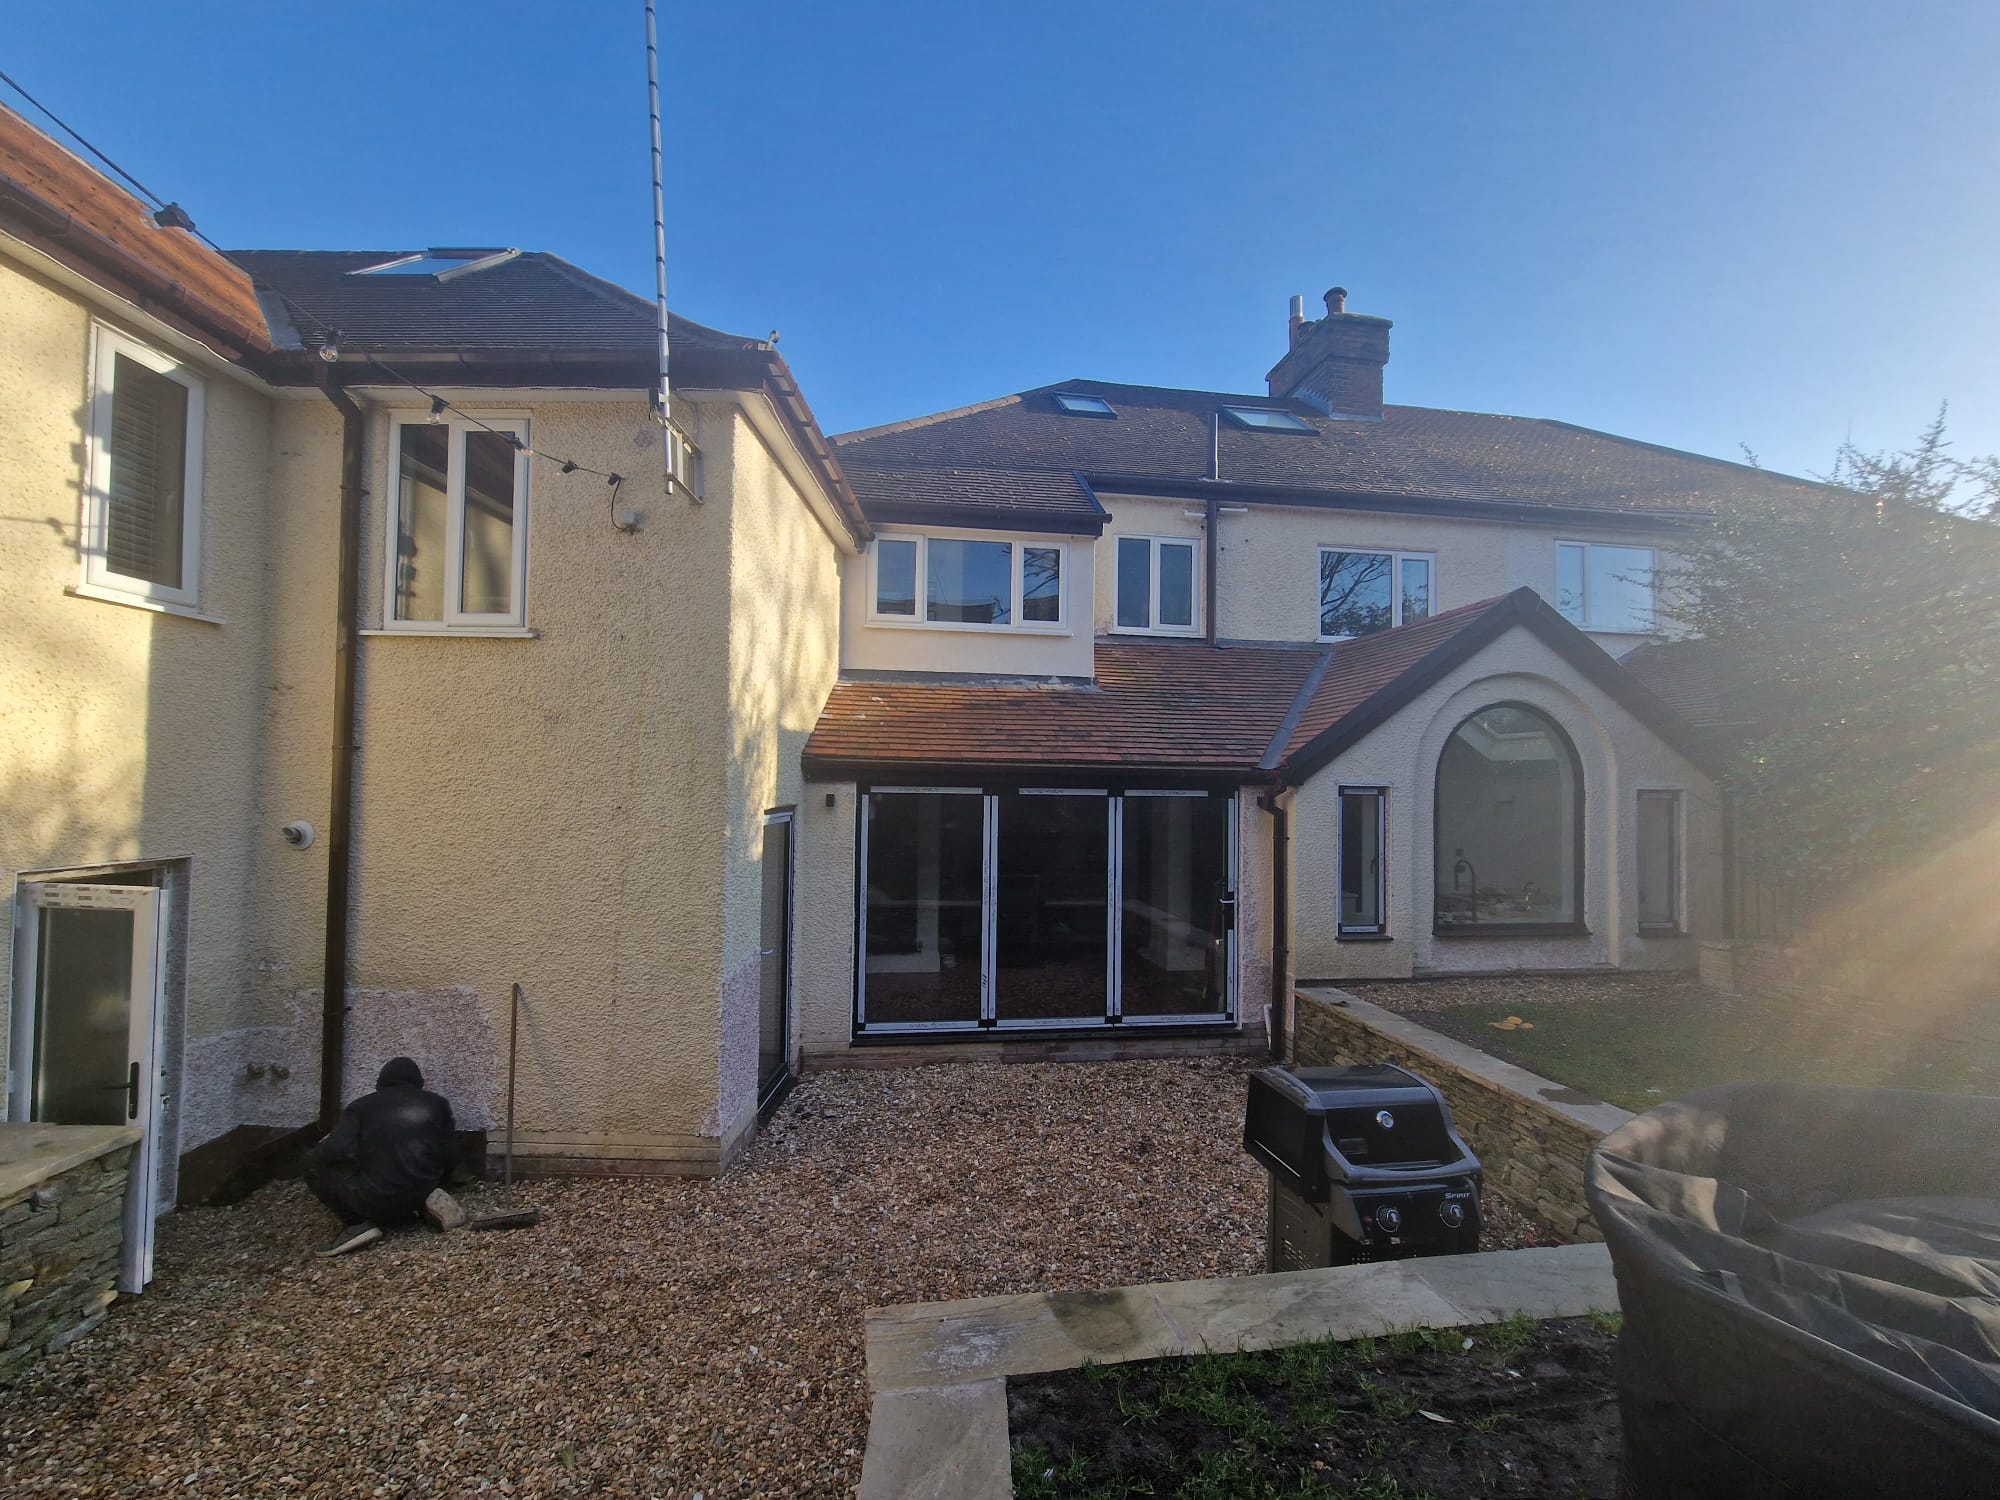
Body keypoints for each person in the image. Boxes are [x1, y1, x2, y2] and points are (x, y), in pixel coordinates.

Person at [305, 1056, 465, 1256]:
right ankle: (430, 1202)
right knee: (418, 1179)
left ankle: (358, 1224)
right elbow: (450, 1155)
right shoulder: (437, 1104)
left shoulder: (361, 1107)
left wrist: (318, 1153)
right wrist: (439, 1181)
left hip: (374, 1200)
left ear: (380, 1082)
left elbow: (333, 1151)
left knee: (310, 1166)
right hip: (423, 1189)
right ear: (419, 1082)